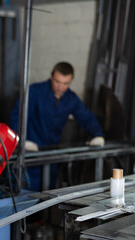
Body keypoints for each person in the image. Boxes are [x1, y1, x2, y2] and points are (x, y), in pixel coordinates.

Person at [10, 62, 105, 191]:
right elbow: (17, 116)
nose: (61, 87)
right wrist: (21, 140)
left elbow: (86, 116)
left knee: (47, 194)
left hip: (52, 155)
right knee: (26, 196)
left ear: (70, 82)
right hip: (30, 152)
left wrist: (97, 134)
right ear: (51, 77)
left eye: (65, 83)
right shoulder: (35, 91)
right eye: (57, 81)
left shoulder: (71, 99)